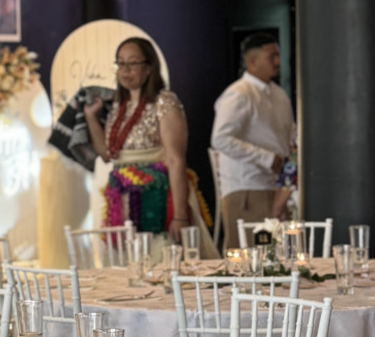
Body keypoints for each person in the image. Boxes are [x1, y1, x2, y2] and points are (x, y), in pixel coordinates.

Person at [83, 38, 191, 241]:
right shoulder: (118, 105)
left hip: (157, 199)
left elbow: (176, 160)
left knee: (158, 257)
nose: (125, 70)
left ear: (148, 68)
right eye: (120, 63)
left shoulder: (164, 102)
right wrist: (91, 117)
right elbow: (107, 155)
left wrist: (179, 216)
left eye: (132, 63)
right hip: (122, 204)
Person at [210, 32, 295, 250]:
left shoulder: (280, 95)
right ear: (252, 61)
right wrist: (266, 158)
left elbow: (291, 139)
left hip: (276, 187)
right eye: (271, 56)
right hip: (246, 187)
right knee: (247, 259)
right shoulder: (239, 93)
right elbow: (220, 138)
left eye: (278, 55)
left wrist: (287, 183)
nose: (277, 62)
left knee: (278, 259)